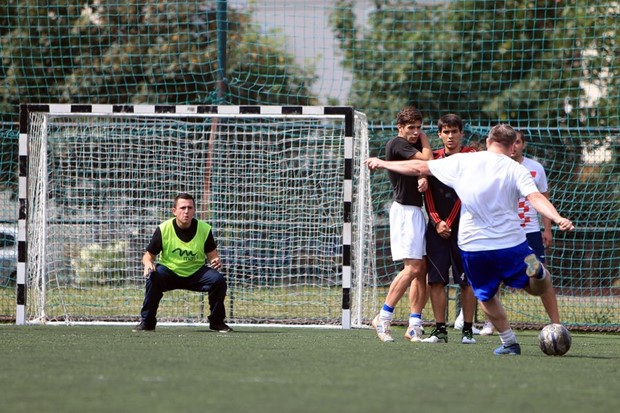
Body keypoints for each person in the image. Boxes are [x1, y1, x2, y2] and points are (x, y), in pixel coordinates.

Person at [365, 124, 574, 355]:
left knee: (485, 297)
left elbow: (419, 166)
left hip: (475, 248)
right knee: (536, 284)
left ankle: (509, 342)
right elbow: (535, 197)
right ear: (512, 144)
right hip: (513, 245)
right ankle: (538, 271)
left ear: (487, 141)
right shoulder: (516, 169)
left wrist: (384, 163)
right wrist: (557, 217)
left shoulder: (465, 161)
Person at [469, 129, 561, 335]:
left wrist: (547, 228)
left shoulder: (534, 168)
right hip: (503, 233)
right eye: (514, 142)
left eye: (519, 142)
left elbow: (542, 198)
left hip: (529, 233)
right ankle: (490, 324)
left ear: (522, 145)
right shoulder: (491, 166)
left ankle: (556, 324)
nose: (516, 146)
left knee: (540, 277)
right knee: (494, 278)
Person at [371, 106, 433, 342]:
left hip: (417, 211)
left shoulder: (412, 145)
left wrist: (423, 177)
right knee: (413, 268)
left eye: (419, 128)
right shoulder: (397, 144)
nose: (416, 132)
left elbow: (420, 169)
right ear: (400, 128)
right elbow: (426, 160)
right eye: (411, 128)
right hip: (405, 211)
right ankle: (383, 316)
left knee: (422, 269)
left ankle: (414, 324)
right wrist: (426, 141)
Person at [133, 192, 232, 333]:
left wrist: (215, 260)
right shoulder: (163, 229)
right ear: (174, 211)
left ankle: (216, 322)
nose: (186, 211)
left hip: (196, 273)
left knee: (218, 280)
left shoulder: (204, 229)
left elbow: (212, 255)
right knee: (153, 278)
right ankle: (147, 322)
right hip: (169, 272)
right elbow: (148, 256)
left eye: (190, 208)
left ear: (194, 210)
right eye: (182, 208)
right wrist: (148, 264)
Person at [420, 114, 478, 344]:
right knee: (435, 280)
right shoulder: (433, 159)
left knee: (468, 281)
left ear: (461, 133)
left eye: (455, 131)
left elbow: (466, 193)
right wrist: (436, 221)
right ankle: (440, 329)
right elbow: (427, 194)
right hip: (437, 229)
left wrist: (450, 221)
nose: (450, 136)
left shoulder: (471, 158)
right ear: (440, 134)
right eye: (446, 132)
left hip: (465, 228)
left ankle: (468, 331)